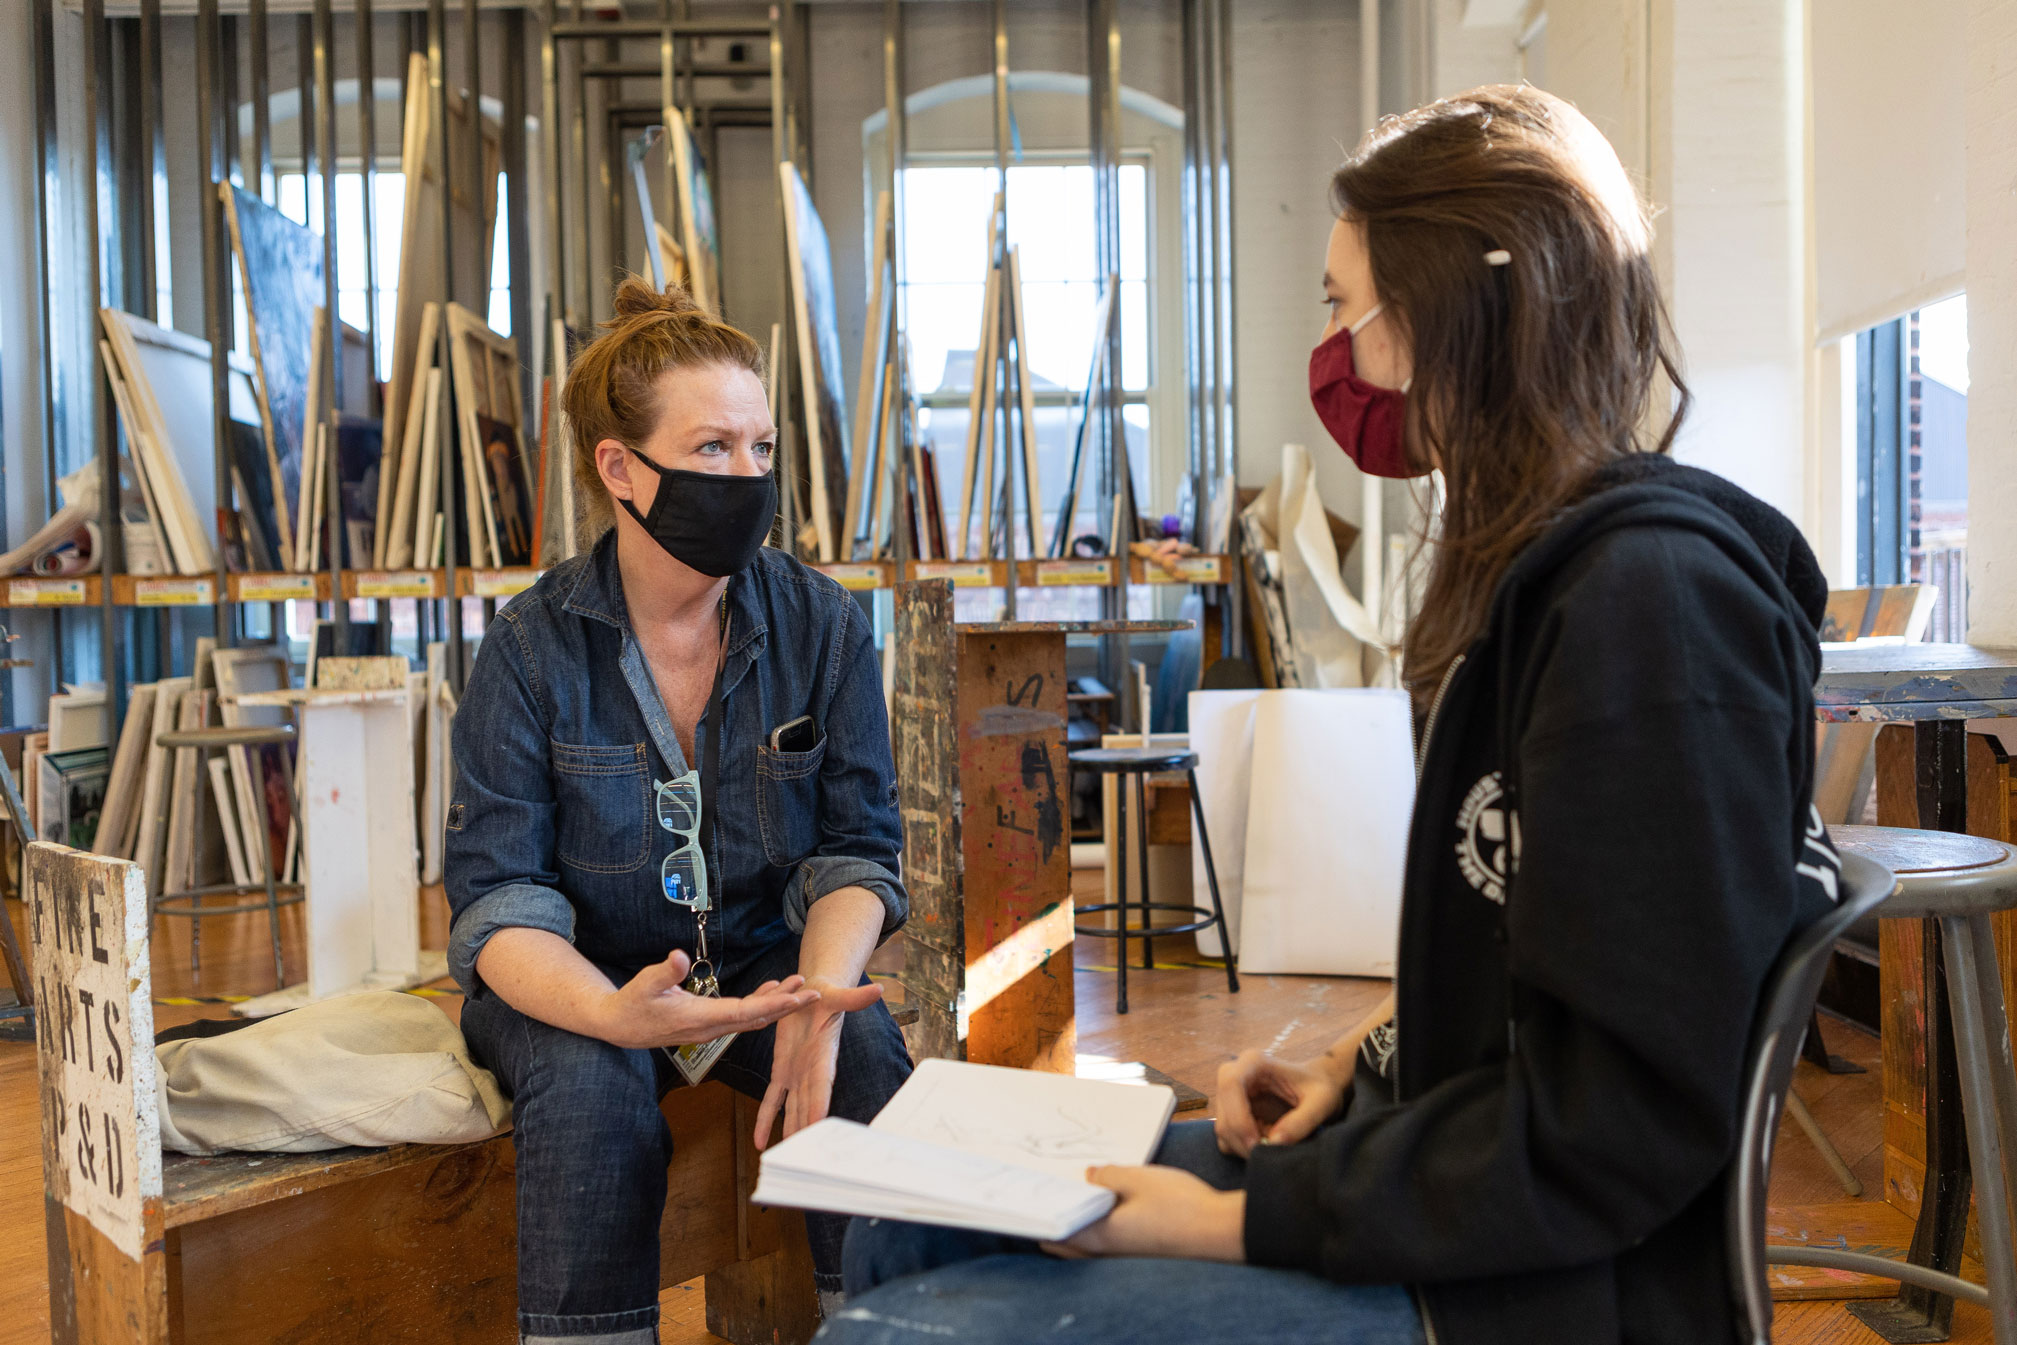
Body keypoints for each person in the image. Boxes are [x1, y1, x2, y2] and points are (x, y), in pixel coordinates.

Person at [824, 84, 1841, 1345]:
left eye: (1340, 306)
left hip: (1535, 1291)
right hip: (1462, 1190)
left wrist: (1228, 1222)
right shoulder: (1543, 577)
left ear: (1442, 311)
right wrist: (1353, 1068)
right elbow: (1526, 947)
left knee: (899, 1330)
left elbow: (1621, 1120)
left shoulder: (1650, 615)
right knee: (906, 1221)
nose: (1337, 355)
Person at [445, 279, 914, 1345]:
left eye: (760, 448)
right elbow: (499, 899)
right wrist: (614, 1012)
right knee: (592, 1091)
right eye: (712, 449)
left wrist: (820, 992)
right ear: (621, 467)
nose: (746, 477)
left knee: (866, 1044)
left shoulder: (823, 626)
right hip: (578, 978)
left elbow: (856, 855)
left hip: (750, 957)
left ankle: (886, 1327)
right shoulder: (528, 649)